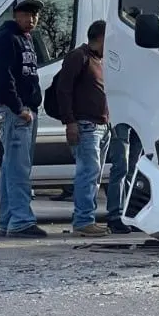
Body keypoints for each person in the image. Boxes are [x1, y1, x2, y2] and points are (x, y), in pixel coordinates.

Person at [0, 0, 47, 237]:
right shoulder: (7, 37)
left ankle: (7, 221)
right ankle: (22, 222)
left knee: (11, 167)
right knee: (18, 168)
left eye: (34, 13)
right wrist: (19, 107)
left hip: (24, 110)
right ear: (15, 14)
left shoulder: (27, 39)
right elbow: (4, 78)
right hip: (15, 111)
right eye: (26, 12)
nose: (31, 18)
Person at [57, 20, 112, 237]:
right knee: (87, 173)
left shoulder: (100, 59)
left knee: (94, 175)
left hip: (102, 125)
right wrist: (70, 122)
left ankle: (87, 218)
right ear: (101, 38)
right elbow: (64, 89)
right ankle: (83, 220)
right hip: (85, 125)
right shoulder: (79, 57)